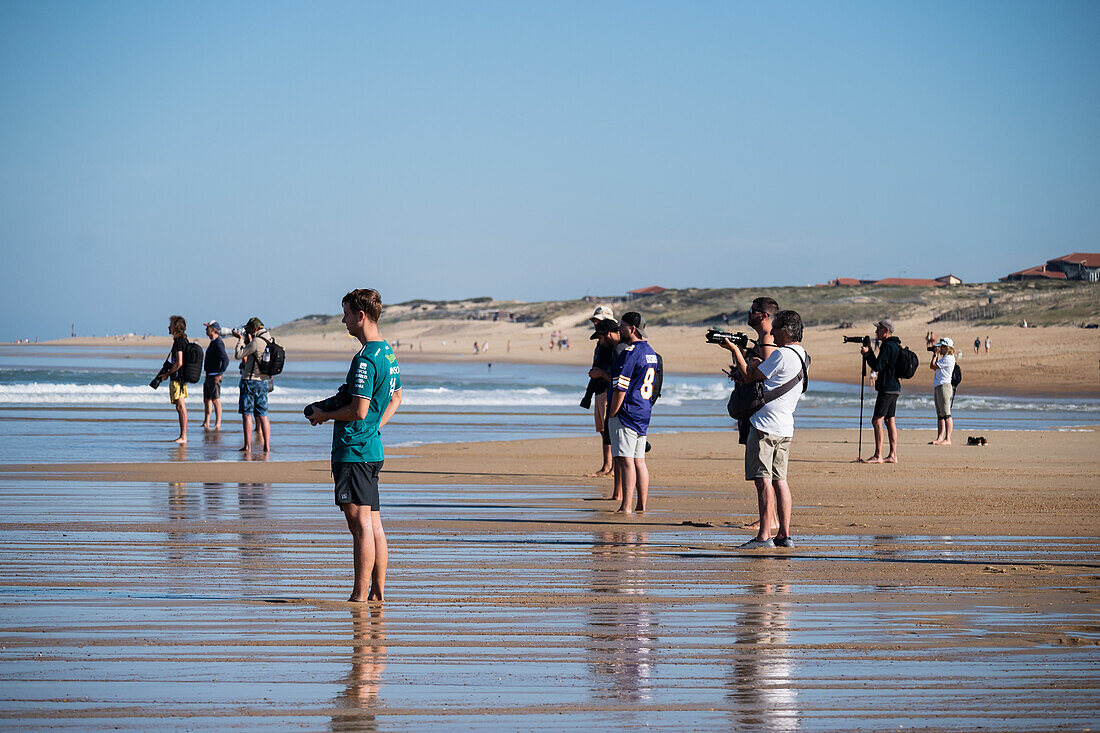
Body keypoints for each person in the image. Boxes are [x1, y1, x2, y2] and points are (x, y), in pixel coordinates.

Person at [305, 288, 402, 603]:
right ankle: (377, 591)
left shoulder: (365, 358)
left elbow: (358, 410)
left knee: (360, 525)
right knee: (372, 522)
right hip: (371, 449)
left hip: (354, 450)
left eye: (346, 313)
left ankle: (360, 595)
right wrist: (376, 426)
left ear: (361, 316)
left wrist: (324, 416)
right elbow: (396, 397)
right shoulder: (387, 352)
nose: (343, 320)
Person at [727, 310, 808, 548]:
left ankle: (764, 536)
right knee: (780, 480)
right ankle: (784, 534)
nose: (771, 333)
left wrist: (737, 353)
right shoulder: (802, 355)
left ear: (785, 331)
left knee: (762, 480)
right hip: (785, 426)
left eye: (776, 328)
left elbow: (751, 376)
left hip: (765, 425)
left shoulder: (782, 354)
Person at [719, 296, 779, 532]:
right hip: (765, 413)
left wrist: (737, 352)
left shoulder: (767, 342)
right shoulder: (766, 341)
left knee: (761, 474)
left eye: (752, 310)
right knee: (768, 473)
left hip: (762, 414)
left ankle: (768, 520)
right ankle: (770, 517)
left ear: (763, 316)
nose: (749, 313)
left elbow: (757, 379)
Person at [607, 312, 658, 514]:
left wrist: (612, 412)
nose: (619, 329)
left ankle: (626, 506)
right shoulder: (650, 352)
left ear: (632, 329)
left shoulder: (630, 352)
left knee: (625, 459)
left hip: (627, 410)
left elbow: (621, 386)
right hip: (643, 410)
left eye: (622, 326)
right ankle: (641, 505)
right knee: (639, 460)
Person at [861, 319, 902, 463]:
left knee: (876, 420)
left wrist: (867, 354)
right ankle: (893, 455)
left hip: (887, 388)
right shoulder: (896, 345)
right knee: (889, 420)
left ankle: (878, 455)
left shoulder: (887, 346)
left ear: (886, 330)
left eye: (878, 329)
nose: (876, 331)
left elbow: (877, 366)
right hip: (895, 387)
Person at [584, 306, 617, 477]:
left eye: (598, 320)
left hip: (607, 388)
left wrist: (601, 374)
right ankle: (606, 466)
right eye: (594, 320)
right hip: (599, 388)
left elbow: (616, 372)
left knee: (609, 429)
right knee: (603, 430)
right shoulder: (600, 340)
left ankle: (611, 468)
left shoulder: (613, 343)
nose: (595, 322)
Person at [234, 317, 273, 453]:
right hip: (263, 381)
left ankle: (247, 446)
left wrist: (240, 340)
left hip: (250, 380)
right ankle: (267, 446)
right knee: (263, 414)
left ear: (255, 329)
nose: (247, 331)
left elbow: (239, 355)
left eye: (249, 329)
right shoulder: (270, 340)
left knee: (247, 414)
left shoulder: (256, 342)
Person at [164, 315, 189, 444]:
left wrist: (167, 373)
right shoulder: (181, 340)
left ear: (176, 327)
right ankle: (183, 435)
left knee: (181, 407)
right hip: (180, 378)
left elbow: (179, 363)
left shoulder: (179, 342)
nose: (169, 327)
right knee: (180, 407)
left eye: (171, 325)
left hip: (178, 378)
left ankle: (183, 436)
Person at [200, 321, 229, 431]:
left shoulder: (218, 342)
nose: (205, 330)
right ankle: (206, 422)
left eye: (207, 328)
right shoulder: (213, 342)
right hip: (208, 375)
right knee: (207, 399)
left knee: (216, 399)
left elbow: (225, 359)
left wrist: (220, 373)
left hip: (214, 375)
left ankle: (218, 423)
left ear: (212, 330)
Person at [929, 337, 956, 445]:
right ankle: (940, 437)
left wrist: (935, 354)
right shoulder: (944, 357)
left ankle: (948, 438)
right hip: (938, 386)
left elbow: (932, 366)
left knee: (946, 414)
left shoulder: (948, 358)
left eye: (942, 346)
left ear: (947, 347)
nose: (940, 348)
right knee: (940, 414)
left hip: (944, 386)